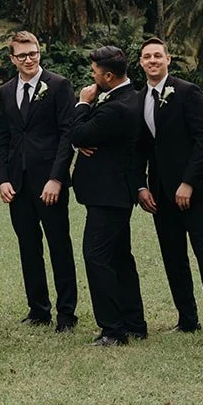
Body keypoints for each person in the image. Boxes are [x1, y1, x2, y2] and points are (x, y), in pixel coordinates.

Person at [136, 36, 203, 344]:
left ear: (167, 60)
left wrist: (188, 183)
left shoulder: (188, 92)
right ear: (141, 63)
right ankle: (188, 319)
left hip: (195, 191)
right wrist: (141, 185)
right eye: (146, 57)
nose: (152, 60)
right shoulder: (139, 98)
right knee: (173, 257)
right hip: (160, 194)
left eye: (157, 56)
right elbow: (138, 147)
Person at [0, 30, 78, 330]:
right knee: (28, 246)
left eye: (33, 53)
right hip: (17, 184)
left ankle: (66, 313)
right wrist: (2, 179)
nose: (29, 59)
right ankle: (38, 309)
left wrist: (57, 178)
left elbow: (67, 134)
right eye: (22, 55)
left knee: (59, 246)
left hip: (49, 182)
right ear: (12, 58)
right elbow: (3, 137)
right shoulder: (6, 91)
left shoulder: (58, 85)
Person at [71, 45, 147, 346]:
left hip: (108, 194)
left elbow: (77, 133)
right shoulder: (130, 97)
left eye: (95, 73)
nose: (92, 77)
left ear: (109, 75)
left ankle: (113, 330)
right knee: (119, 258)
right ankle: (134, 323)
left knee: (96, 256)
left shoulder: (117, 106)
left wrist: (82, 104)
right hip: (115, 192)